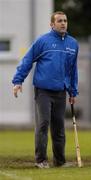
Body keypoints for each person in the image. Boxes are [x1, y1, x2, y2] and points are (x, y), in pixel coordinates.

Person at [12, 11, 79, 168]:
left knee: (59, 128)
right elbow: (27, 60)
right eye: (59, 21)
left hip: (61, 92)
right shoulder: (43, 41)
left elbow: (72, 70)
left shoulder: (73, 44)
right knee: (43, 124)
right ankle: (41, 160)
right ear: (52, 24)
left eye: (65, 20)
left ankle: (60, 161)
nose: (63, 23)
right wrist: (18, 81)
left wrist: (73, 91)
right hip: (43, 91)